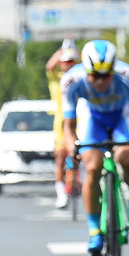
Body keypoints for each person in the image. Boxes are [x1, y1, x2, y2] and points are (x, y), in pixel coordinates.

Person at [61, 40, 129, 254]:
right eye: (95, 76)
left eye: (106, 75)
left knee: (126, 157)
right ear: (85, 70)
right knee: (92, 167)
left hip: (121, 118)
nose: (100, 81)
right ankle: (94, 230)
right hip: (94, 120)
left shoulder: (126, 76)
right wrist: (73, 150)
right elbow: (69, 125)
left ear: (113, 70)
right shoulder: (72, 80)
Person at [46, 39, 80, 209]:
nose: (68, 65)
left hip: (80, 122)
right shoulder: (56, 79)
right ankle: (61, 194)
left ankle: (84, 183)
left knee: (87, 156)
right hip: (62, 124)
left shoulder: (80, 76)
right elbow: (49, 66)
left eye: (71, 61)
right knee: (60, 157)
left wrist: (75, 50)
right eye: (65, 62)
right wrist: (63, 49)